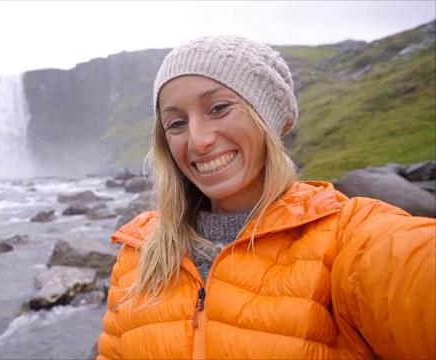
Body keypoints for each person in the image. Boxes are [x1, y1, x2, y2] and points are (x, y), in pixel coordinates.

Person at [96, 34, 435, 359]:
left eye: (218, 108)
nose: (197, 141)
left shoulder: (345, 237)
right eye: (176, 123)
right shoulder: (137, 253)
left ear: (269, 120)